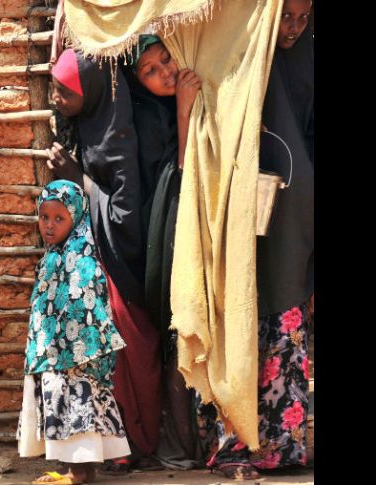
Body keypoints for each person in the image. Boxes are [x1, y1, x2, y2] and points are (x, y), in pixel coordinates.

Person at [199, 0, 314, 479]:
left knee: (286, 326)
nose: (293, 28)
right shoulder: (244, 57)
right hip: (242, 213)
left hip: (294, 224)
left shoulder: (307, 61)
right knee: (238, 320)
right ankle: (235, 446)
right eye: (286, 16)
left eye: (304, 18)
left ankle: (283, 448)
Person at [47, 48, 163, 472]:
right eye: (54, 88)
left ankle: (131, 442)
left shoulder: (119, 138)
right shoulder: (89, 124)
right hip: (100, 266)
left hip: (123, 270)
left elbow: (126, 217)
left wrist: (78, 180)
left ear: (93, 92)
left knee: (126, 353)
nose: (56, 98)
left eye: (64, 91)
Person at [124, 35, 203, 471]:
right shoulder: (148, 117)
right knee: (179, 332)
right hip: (168, 234)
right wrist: (184, 110)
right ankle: (181, 444)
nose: (166, 73)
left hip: (191, 227)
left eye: (166, 58)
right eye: (149, 71)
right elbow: (178, 178)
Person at [18, 179, 130, 485]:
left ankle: (79, 472)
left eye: (59, 218)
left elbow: (87, 306)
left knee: (76, 404)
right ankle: (77, 470)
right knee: (66, 404)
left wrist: (67, 349)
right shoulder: (55, 256)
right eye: (44, 217)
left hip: (75, 357)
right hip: (55, 353)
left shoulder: (82, 258)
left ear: (76, 218)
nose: (49, 225)